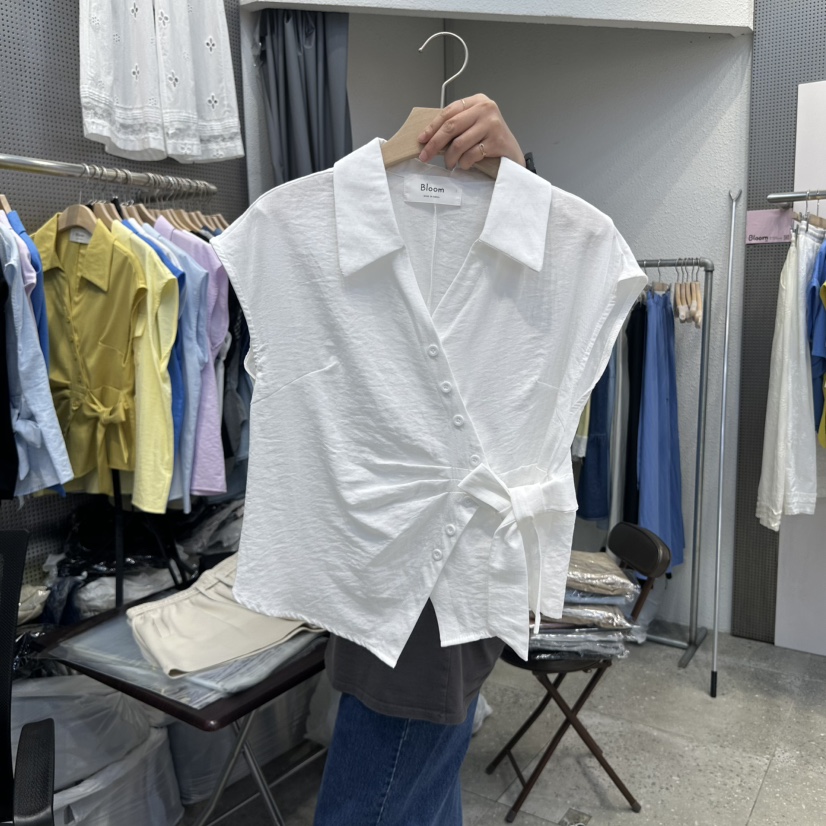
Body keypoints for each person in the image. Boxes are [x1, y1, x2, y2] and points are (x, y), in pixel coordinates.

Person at [313, 95, 531, 826]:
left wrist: (519, 177)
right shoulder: (316, 224)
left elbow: (548, 294)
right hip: (388, 586)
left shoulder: (536, 247)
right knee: (423, 792)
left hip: (433, 607)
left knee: (377, 797)